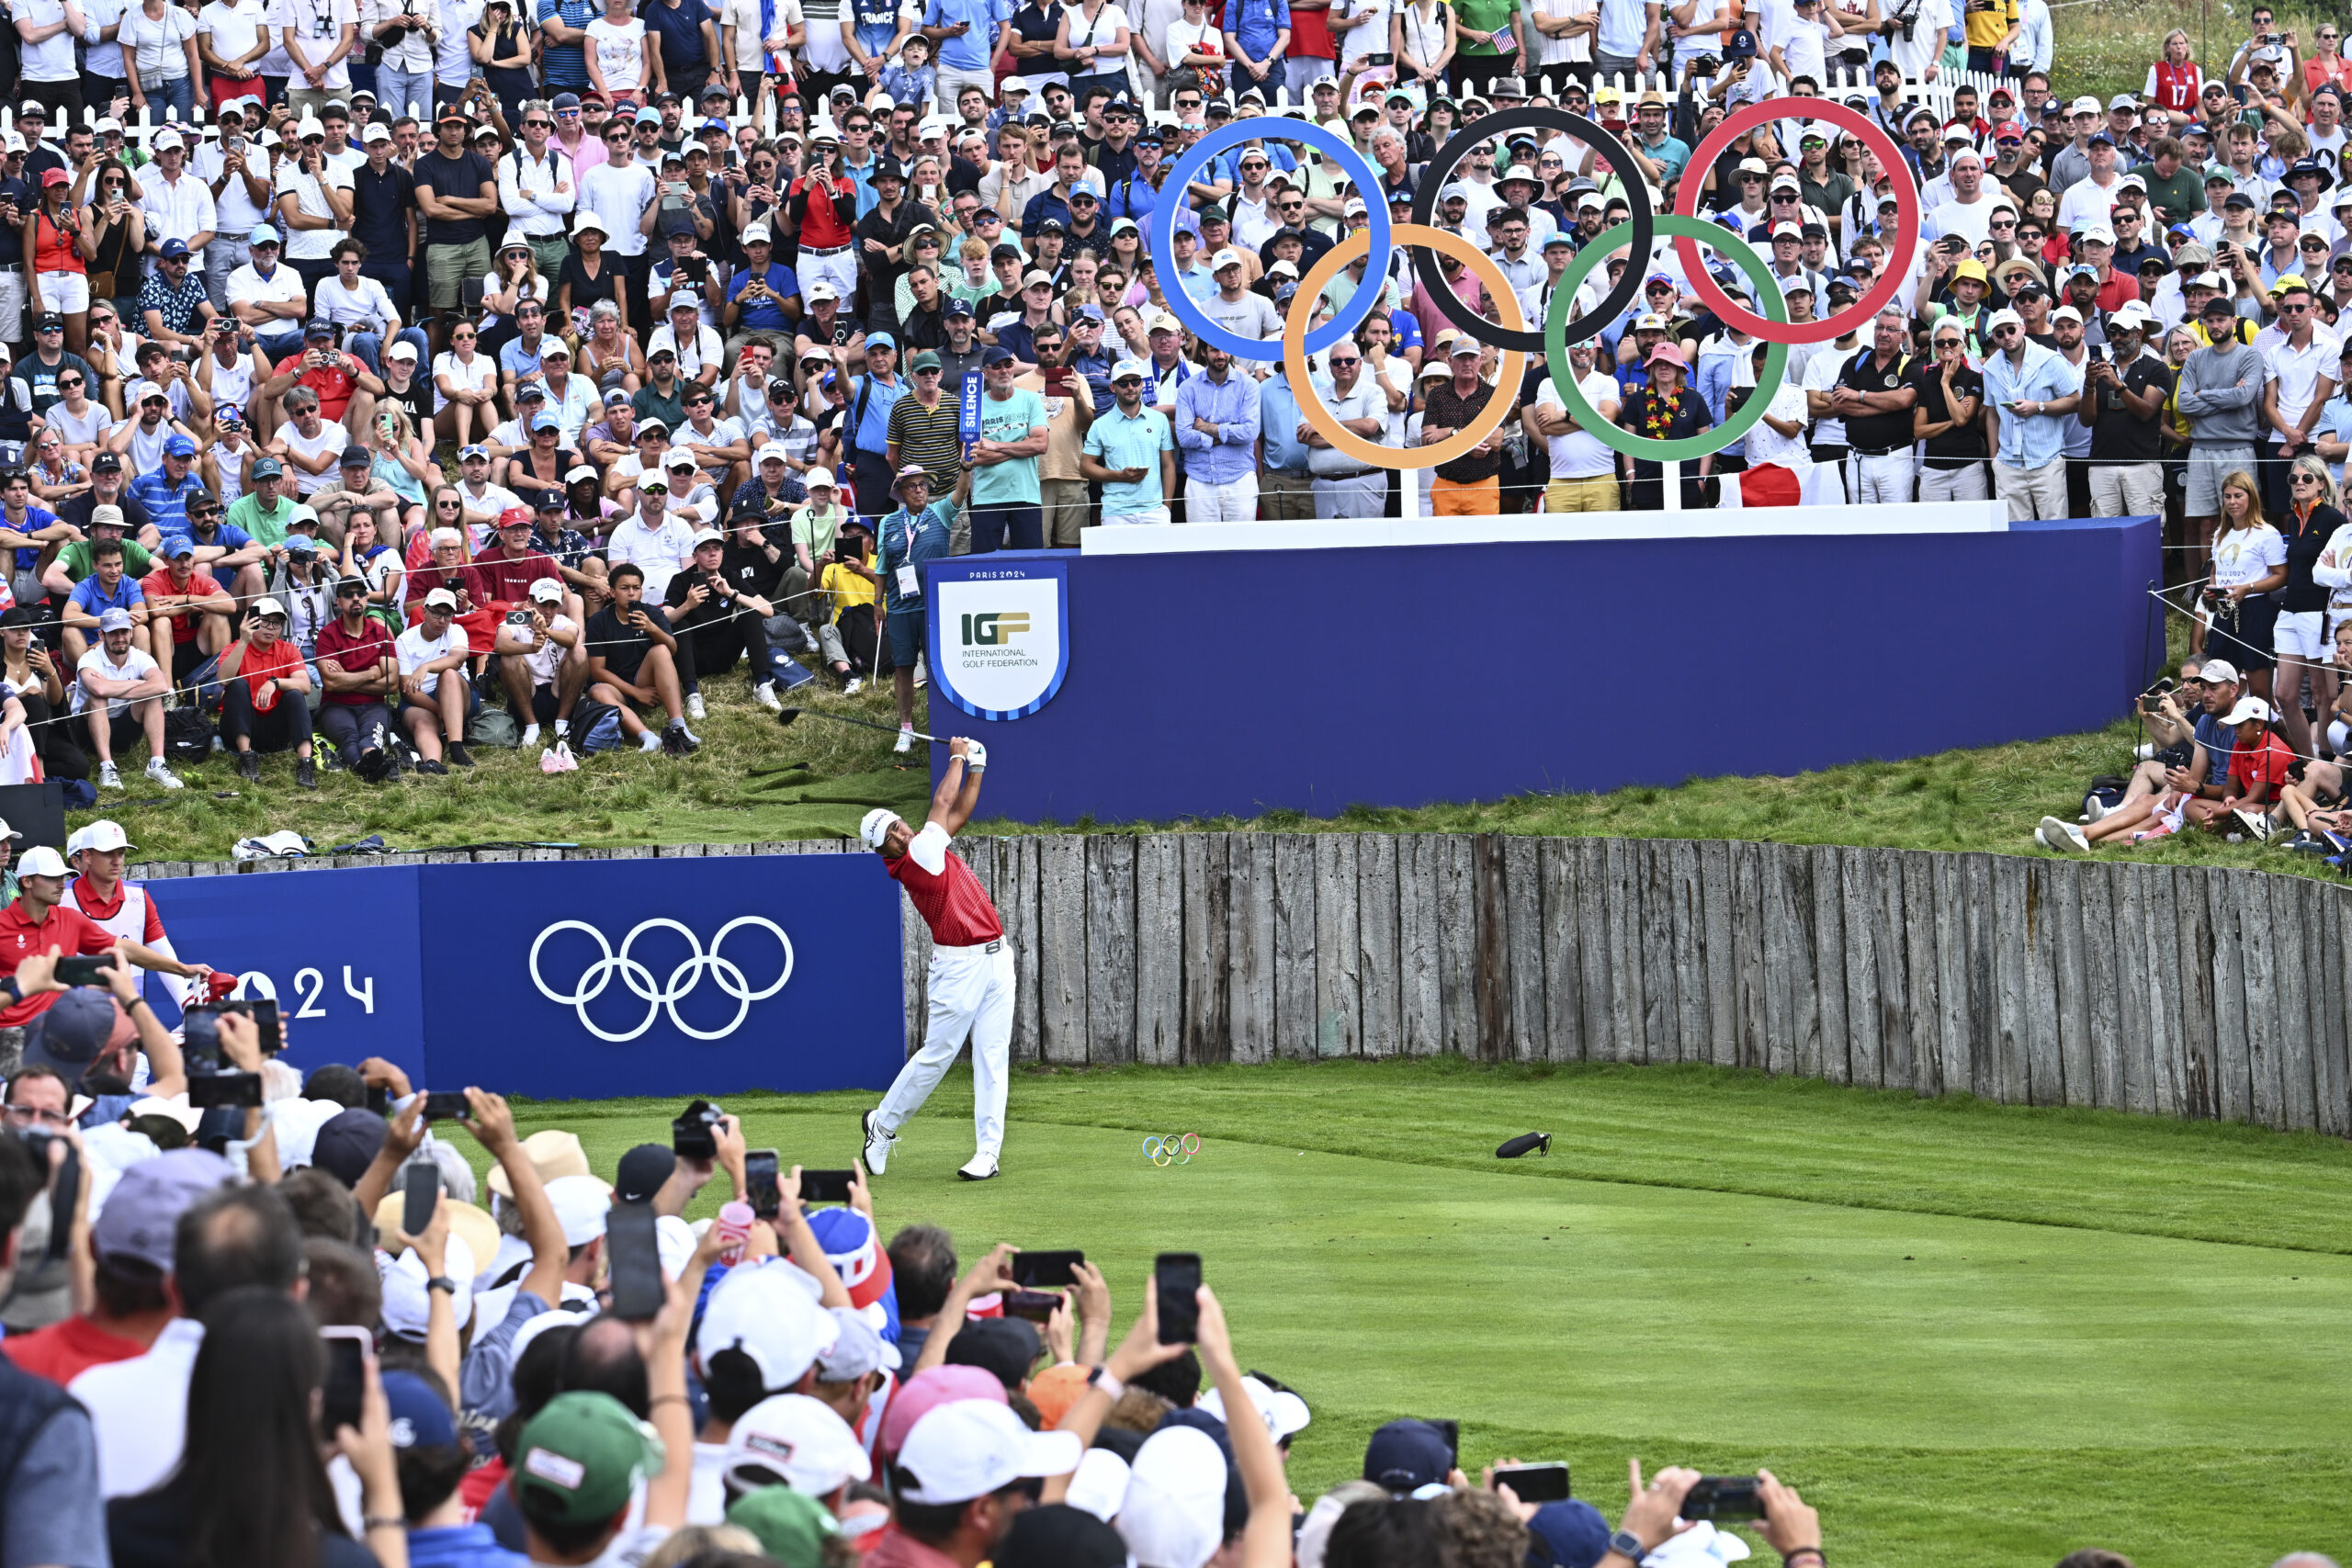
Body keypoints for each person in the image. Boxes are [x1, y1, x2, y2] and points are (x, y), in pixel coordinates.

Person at [859, 734, 1011, 1181]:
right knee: (939, 1053)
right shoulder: (916, 858)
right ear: (883, 852)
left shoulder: (928, 843)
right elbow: (944, 802)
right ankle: (883, 1125)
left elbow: (958, 812)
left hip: (997, 958)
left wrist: (977, 768)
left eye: (898, 824)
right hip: (958, 966)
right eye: (890, 836)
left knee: (992, 1056)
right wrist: (958, 758)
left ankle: (988, 1153)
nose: (900, 833)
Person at [875, 463, 967, 751]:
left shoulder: (941, 512)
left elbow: (961, 492)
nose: (919, 490)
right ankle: (906, 729)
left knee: (938, 666)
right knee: (903, 668)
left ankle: (943, 724)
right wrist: (877, 602)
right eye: (913, 486)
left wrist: (965, 468)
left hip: (935, 606)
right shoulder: (888, 522)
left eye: (923, 485)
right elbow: (881, 567)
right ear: (901, 492)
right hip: (900, 607)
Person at [584, 559, 699, 753]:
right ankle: (648, 737)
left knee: (661, 650)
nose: (631, 593)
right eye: (624, 588)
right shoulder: (599, 621)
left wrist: (652, 629)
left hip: (645, 679)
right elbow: (597, 671)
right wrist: (636, 693)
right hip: (616, 687)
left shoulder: (652, 614)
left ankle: (679, 727)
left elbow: (672, 649)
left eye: (636, 588)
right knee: (597, 691)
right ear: (612, 592)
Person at [73, 608, 183, 791]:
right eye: (113, 633)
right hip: (86, 732)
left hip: (124, 728)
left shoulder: (140, 657)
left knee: (153, 696)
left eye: (124, 632)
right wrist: (137, 683)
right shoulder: (89, 659)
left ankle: (157, 763)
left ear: (131, 633)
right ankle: (107, 766)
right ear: (101, 635)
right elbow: (99, 689)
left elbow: (162, 686)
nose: (120, 638)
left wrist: (114, 688)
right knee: (98, 698)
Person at [216, 594, 318, 786]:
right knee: (237, 685)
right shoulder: (234, 648)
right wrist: (243, 640)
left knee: (295, 694)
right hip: (239, 728)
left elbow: (305, 686)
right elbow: (223, 679)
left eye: (276, 623)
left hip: (274, 732)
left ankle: (306, 763)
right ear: (252, 621)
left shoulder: (289, 649)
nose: (271, 627)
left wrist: (275, 682)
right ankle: (246, 757)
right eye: (264, 621)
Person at [315, 572, 402, 779]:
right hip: (335, 706)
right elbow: (330, 683)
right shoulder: (327, 634)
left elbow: (391, 684)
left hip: (374, 705)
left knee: (371, 736)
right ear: (338, 602)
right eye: (348, 594)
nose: (355, 598)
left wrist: (346, 678)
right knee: (349, 736)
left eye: (361, 593)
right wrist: (372, 673)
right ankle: (364, 767)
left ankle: (368, 763)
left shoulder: (381, 633)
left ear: (366, 598)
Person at [396, 584, 475, 773]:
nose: (442, 620)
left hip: (459, 694)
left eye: (448, 615)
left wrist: (426, 667)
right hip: (421, 699)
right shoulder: (404, 640)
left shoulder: (456, 630)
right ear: (424, 612)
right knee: (422, 724)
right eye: (437, 613)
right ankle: (433, 763)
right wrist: (440, 710)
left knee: (448, 674)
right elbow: (406, 689)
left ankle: (456, 748)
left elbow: (457, 660)